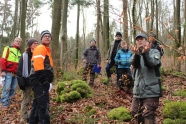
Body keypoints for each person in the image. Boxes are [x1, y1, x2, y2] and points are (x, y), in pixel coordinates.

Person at [130, 34, 161, 124]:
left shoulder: (154, 52)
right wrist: (136, 55)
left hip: (151, 91)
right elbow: (134, 64)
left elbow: (152, 64)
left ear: (147, 41)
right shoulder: (135, 53)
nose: (139, 41)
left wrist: (145, 53)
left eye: (141, 39)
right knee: (134, 113)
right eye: (137, 40)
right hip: (138, 91)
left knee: (147, 114)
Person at [29, 30, 54, 124]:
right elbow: (38, 67)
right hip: (39, 80)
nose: (47, 37)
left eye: (49, 36)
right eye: (45, 36)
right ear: (41, 39)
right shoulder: (40, 48)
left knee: (37, 104)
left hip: (41, 80)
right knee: (43, 106)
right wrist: (45, 82)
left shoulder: (47, 50)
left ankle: (32, 121)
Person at [16, 38, 39, 123]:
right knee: (26, 99)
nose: (36, 44)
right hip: (27, 81)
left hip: (36, 81)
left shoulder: (38, 54)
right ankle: (23, 117)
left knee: (37, 99)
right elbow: (19, 69)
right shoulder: (24, 56)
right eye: (34, 43)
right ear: (30, 45)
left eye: (37, 43)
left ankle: (34, 116)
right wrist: (21, 82)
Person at [0, 37, 22, 108]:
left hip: (15, 74)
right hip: (8, 73)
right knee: (6, 88)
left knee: (12, 88)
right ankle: (4, 104)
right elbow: (3, 59)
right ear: (14, 42)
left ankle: (9, 102)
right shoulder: (8, 48)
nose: (18, 42)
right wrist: (3, 70)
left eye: (19, 42)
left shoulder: (19, 52)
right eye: (17, 41)